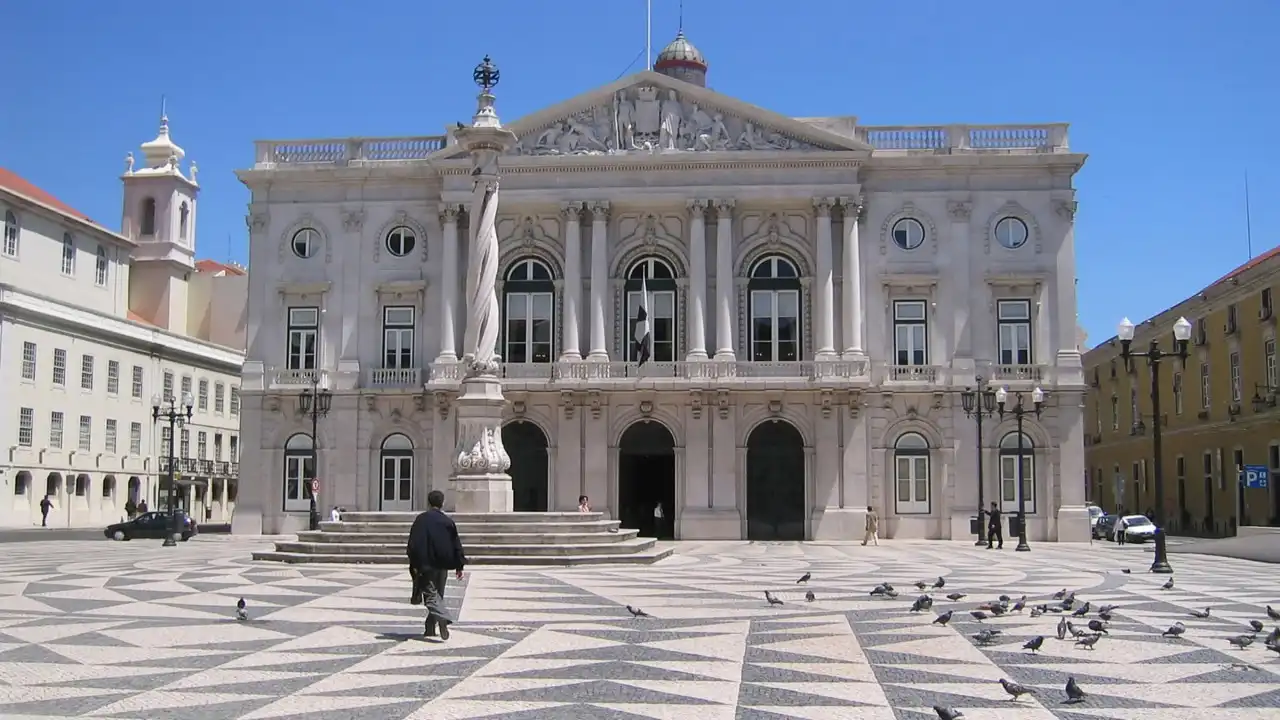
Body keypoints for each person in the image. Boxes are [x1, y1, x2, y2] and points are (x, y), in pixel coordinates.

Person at [407, 490, 466, 640]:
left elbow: (413, 543)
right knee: (438, 595)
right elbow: (456, 544)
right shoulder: (447, 521)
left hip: (426, 565)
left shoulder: (421, 520)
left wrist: (413, 563)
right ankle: (430, 627)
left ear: (428, 502)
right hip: (442, 565)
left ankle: (443, 618)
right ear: (442, 503)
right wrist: (459, 566)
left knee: (431, 597)